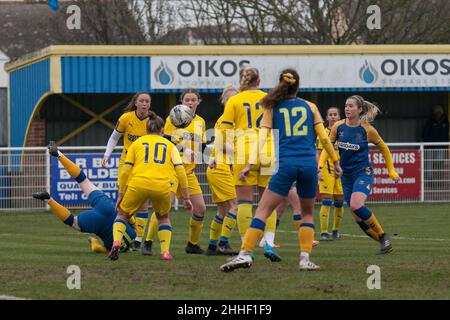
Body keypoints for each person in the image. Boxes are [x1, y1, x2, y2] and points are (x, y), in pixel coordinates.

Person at [220, 69, 341, 272]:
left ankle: (244, 254)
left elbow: (261, 138)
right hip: (308, 166)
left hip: (285, 165)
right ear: (298, 86)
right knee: (307, 213)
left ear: (281, 85)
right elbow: (324, 138)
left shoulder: (272, 106)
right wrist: (336, 162)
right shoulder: (310, 107)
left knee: (262, 209)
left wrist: (249, 164)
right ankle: (304, 258)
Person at [318, 95, 399, 254]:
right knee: (357, 217)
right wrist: (320, 165)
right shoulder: (338, 127)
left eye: (351, 106)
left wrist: (391, 170)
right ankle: (385, 244)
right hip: (346, 176)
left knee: (356, 205)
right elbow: (327, 146)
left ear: (360, 109)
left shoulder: (367, 129)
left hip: (363, 173)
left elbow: (384, 148)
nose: (347, 109)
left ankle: (383, 236)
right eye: (346, 106)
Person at [109, 112, 193, 261]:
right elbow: (180, 171)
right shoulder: (170, 145)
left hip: (138, 183)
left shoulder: (136, 144)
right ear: (162, 131)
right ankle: (165, 252)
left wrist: (121, 194)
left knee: (122, 215)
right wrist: (186, 198)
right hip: (161, 186)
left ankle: (116, 242)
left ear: (146, 129)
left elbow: (125, 171)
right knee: (163, 217)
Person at [217, 66, 280, 262]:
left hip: (244, 151)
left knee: (244, 202)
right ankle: (269, 243)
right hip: (267, 149)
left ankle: (247, 249)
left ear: (241, 82)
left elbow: (223, 132)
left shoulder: (234, 100)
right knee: (267, 202)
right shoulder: (269, 98)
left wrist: (216, 156)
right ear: (259, 81)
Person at [33, 141, 136, 254]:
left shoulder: (134, 234)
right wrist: (94, 241)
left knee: (83, 180)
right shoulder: (113, 246)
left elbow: (130, 217)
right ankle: (48, 199)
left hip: (109, 208)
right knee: (72, 221)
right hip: (98, 223)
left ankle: (58, 154)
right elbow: (98, 248)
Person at [159, 88, 208, 254]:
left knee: (200, 208)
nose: (190, 102)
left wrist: (206, 156)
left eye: (193, 99)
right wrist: (184, 150)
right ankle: (147, 243)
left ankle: (192, 245)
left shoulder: (200, 121)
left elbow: (202, 145)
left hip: (189, 173)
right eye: (187, 99)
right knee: (164, 207)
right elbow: (166, 140)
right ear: (182, 102)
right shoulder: (173, 118)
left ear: (198, 102)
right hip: (172, 170)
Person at [102, 92, 152, 251]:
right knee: (123, 203)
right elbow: (114, 137)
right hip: (126, 164)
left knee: (143, 204)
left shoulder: (153, 121)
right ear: (136, 103)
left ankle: (137, 240)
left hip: (144, 165)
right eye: (141, 101)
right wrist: (107, 155)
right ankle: (124, 236)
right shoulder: (126, 118)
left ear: (149, 105)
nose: (144, 104)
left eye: (147, 101)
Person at [205, 85, 240, 256]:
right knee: (235, 206)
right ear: (224, 101)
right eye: (229, 98)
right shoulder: (227, 120)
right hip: (220, 167)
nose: (232, 101)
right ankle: (223, 243)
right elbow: (221, 143)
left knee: (222, 210)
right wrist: (242, 150)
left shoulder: (232, 119)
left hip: (218, 167)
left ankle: (212, 246)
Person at [317, 107, 345, 241]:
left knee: (339, 203)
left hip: (340, 172)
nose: (333, 117)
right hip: (326, 171)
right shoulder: (322, 133)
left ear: (339, 117)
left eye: (335, 114)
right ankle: (324, 232)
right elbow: (318, 153)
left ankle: (335, 230)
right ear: (327, 117)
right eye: (330, 115)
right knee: (327, 202)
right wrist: (318, 171)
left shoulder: (344, 134)